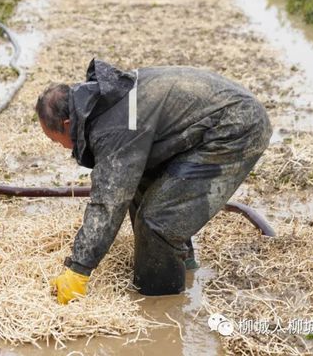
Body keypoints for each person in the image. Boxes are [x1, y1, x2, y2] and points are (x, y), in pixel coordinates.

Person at [36, 59, 271, 303]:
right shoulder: (101, 103)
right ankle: (181, 261)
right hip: (210, 122)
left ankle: (162, 302)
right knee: (141, 184)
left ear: (67, 124)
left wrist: (78, 269)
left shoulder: (113, 126)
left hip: (235, 128)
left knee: (157, 222)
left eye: (56, 141)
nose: (63, 148)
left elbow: (108, 202)